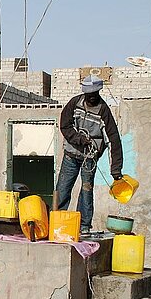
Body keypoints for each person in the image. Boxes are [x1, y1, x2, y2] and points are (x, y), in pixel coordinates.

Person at [55, 75, 123, 235]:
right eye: (88, 94)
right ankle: (57, 221)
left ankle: (83, 226)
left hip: (90, 158)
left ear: (99, 92)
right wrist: (79, 139)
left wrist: (116, 171)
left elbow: (114, 140)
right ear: (84, 93)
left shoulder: (103, 111)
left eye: (94, 94)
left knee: (86, 190)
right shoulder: (75, 103)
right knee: (63, 188)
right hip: (71, 155)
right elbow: (65, 126)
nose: (91, 97)